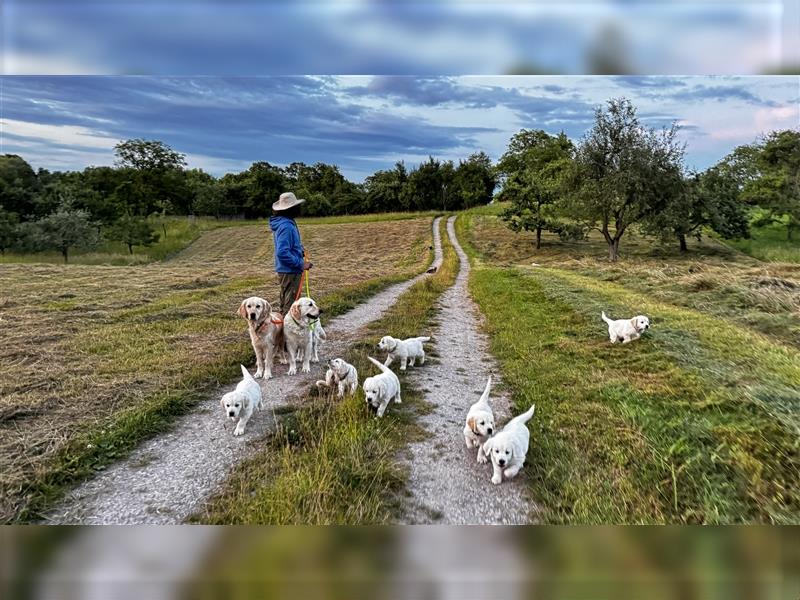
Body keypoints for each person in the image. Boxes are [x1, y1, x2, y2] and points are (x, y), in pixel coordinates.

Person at [269, 191, 312, 317]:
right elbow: (282, 252)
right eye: (297, 206)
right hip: (290, 270)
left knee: (286, 300)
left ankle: (282, 331)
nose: (299, 209)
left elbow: (289, 245)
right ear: (291, 209)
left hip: (287, 270)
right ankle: (287, 333)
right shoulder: (286, 226)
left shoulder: (285, 223)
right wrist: (300, 264)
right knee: (290, 304)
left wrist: (300, 250)